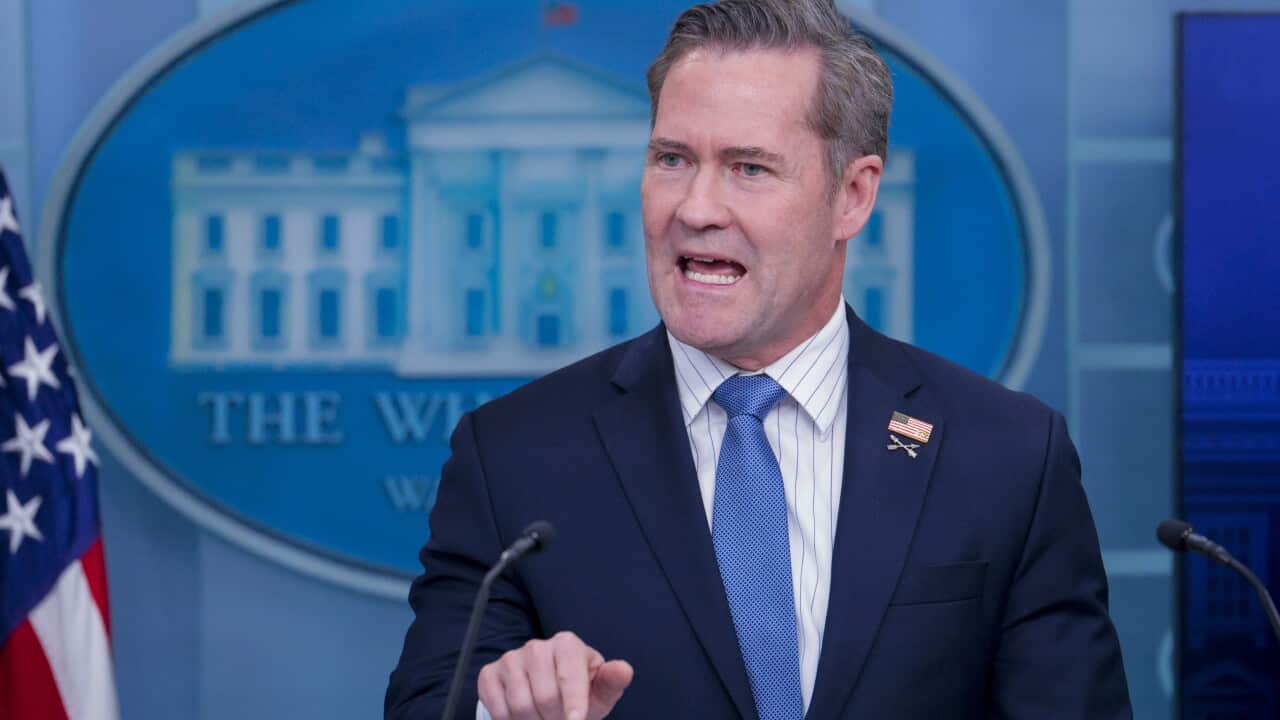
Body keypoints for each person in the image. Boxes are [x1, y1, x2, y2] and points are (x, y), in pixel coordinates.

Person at [386, 1, 1132, 718]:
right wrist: (502, 712)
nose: (696, 207)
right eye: (673, 159)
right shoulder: (512, 455)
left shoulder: (1007, 456)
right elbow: (430, 705)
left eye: (748, 168)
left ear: (853, 195)